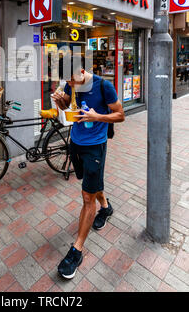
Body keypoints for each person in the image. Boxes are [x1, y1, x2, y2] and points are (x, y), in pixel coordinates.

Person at [52, 64, 125, 280]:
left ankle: (77, 250)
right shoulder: (70, 81)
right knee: (91, 185)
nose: (70, 86)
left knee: (86, 197)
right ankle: (106, 206)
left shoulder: (104, 86)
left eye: (73, 82)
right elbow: (67, 105)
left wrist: (98, 117)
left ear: (82, 72)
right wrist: (60, 101)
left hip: (95, 145)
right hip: (76, 142)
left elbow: (120, 115)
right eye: (68, 83)